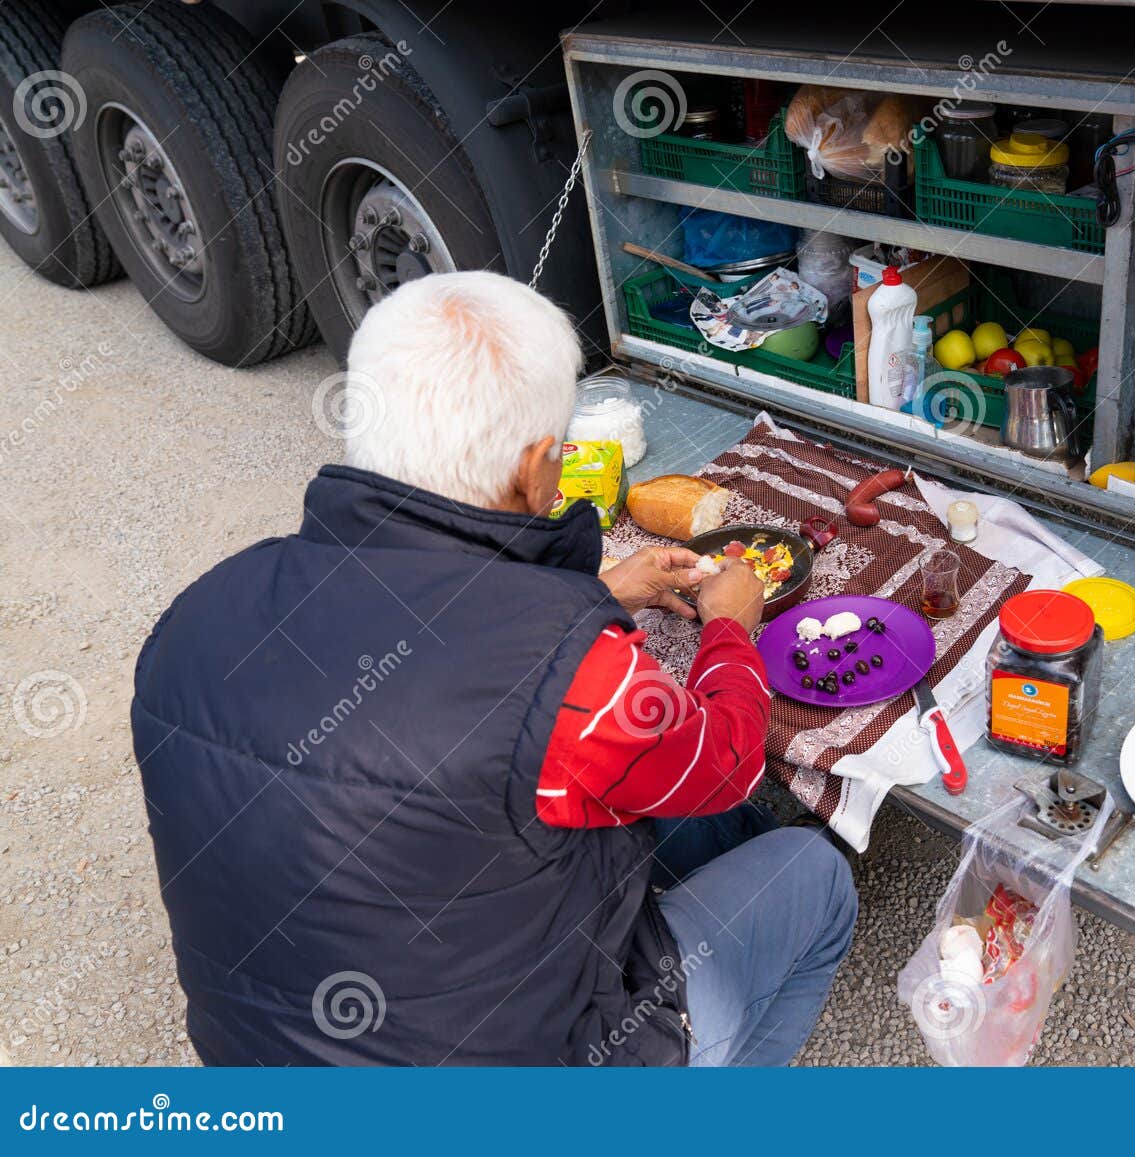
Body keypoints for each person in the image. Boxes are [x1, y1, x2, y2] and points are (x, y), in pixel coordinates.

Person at [130, 271, 856, 1067]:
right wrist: (729, 630)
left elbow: (426, 649)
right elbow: (723, 763)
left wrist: (592, 594)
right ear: (538, 465)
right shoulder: (582, 675)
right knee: (814, 873)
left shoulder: (195, 615)